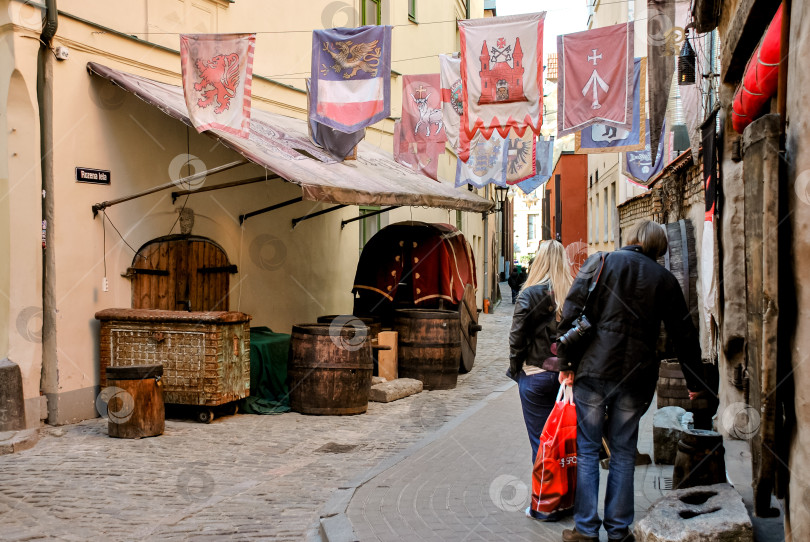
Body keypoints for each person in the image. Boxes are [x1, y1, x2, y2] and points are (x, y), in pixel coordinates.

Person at [556, 220, 710, 542]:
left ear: (634, 238)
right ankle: (618, 531)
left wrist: (566, 363)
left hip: (594, 371)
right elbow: (684, 335)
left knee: (587, 449)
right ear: (658, 248)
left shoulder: (601, 261)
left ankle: (585, 530)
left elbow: (570, 311)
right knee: (624, 452)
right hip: (635, 377)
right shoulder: (665, 280)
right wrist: (696, 384)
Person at [507, 240, 574, 519]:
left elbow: (516, 337)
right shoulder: (574, 293)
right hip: (566, 377)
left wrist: (515, 370)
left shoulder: (529, 294)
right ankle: (569, 501)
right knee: (567, 444)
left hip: (534, 376)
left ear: (539, 261)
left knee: (541, 443)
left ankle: (545, 505)